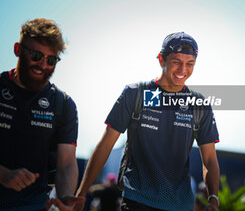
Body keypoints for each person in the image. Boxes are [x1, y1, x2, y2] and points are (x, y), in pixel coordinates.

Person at [75, 32, 220, 211]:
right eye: (177, 62)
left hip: (181, 205)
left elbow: (210, 159)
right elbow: (106, 145)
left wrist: (213, 198)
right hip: (138, 201)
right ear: (161, 59)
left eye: (190, 64)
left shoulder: (199, 105)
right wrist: (81, 194)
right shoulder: (135, 93)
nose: (183, 70)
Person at [0, 18, 84, 211]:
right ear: (17, 50)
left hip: (34, 205)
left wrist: (64, 198)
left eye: (51, 60)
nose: (43, 65)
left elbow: (67, 164)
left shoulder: (63, 104)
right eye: (36, 55)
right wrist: (3, 174)